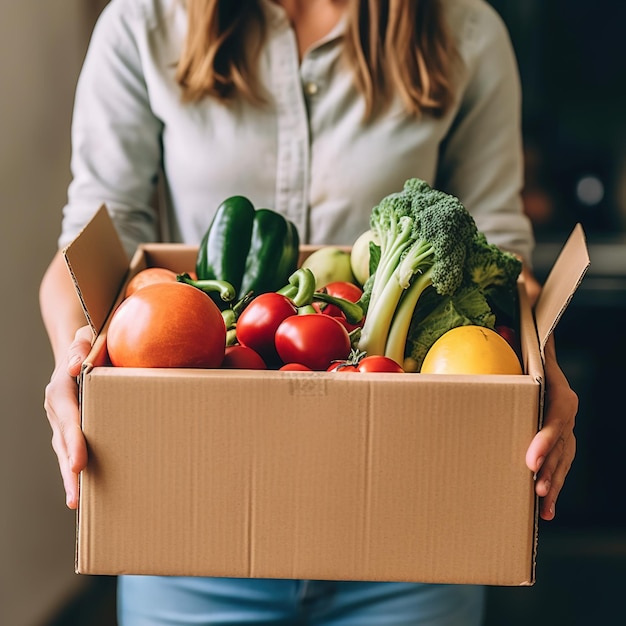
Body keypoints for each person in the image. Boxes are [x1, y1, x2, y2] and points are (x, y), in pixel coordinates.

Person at [40, 0, 578, 624]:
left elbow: (502, 256)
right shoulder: (144, 21)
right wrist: (71, 357)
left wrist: (546, 365)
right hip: (194, 517)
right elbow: (95, 242)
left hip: (409, 522)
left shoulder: (466, 28)